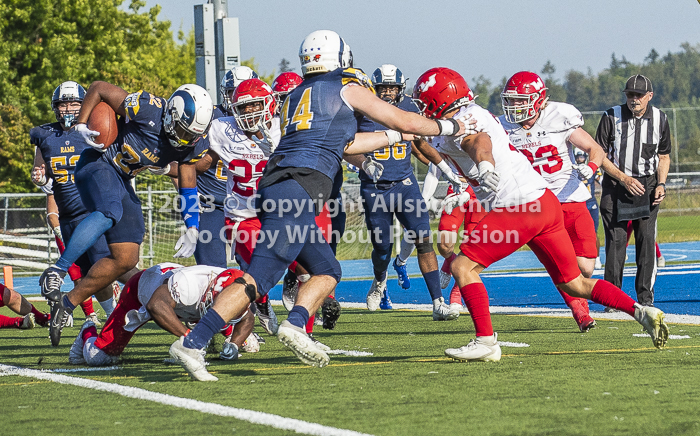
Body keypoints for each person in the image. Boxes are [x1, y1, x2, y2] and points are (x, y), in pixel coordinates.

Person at [168, 29, 469, 381]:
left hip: (283, 185)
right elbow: (401, 118)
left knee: (328, 269)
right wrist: (447, 125)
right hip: (297, 187)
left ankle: (296, 324)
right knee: (260, 277)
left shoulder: (297, 95)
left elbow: (346, 143)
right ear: (340, 57)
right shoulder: (344, 86)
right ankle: (193, 342)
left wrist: (394, 137)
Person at [410, 67, 668, 362]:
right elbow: (434, 146)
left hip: (527, 203)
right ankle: (641, 311)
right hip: (543, 203)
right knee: (575, 283)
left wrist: (485, 164)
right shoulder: (482, 122)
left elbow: (478, 143)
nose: (515, 107)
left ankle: (485, 341)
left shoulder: (483, 119)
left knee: (463, 267)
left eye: (424, 100)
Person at [38, 81, 214, 346]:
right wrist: (82, 125)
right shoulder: (148, 108)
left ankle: (67, 302)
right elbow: (98, 87)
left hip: (121, 177)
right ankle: (58, 270)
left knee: (126, 258)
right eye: (181, 129)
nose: (184, 139)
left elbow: (188, 183)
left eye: (190, 134)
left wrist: (192, 225)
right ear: (172, 115)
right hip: (97, 163)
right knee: (110, 210)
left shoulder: (190, 142)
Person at [498, 71, 604, 332]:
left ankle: (581, 303)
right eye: (511, 101)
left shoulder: (559, 117)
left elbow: (596, 148)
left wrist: (591, 167)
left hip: (570, 198)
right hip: (536, 206)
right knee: (562, 265)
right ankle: (580, 311)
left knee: (585, 268)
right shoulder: (502, 127)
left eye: (520, 101)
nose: (514, 107)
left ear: (537, 99)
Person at [350, 63, 457, 320]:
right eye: (383, 88)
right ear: (374, 89)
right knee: (382, 248)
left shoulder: (410, 107)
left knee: (423, 239)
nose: (387, 93)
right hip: (374, 187)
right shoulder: (361, 110)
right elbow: (348, 143)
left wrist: (446, 167)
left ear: (401, 88)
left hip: (405, 184)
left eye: (392, 88)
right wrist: (364, 162)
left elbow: (421, 143)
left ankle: (438, 302)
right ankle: (379, 280)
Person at [31, 81, 125, 326]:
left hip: (91, 211)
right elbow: (42, 173)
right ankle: (112, 312)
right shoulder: (44, 134)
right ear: (55, 107)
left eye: (74, 102)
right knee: (88, 274)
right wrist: (40, 177)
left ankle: (151, 295)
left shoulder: (93, 129)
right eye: (63, 104)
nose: (68, 108)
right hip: (67, 215)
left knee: (110, 265)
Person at [68, 264, 254, 374]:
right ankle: (88, 330)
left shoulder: (235, 289)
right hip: (142, 293)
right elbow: (156, 306)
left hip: (187, 305)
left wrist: (235, 344)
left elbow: (247, 318)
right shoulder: (189, 283)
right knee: (98, 358)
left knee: (249, 345)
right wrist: (190, 337)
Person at [595, 74, 671, 307]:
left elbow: (664, 156)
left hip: (647, 186)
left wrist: (661, 184)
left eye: (638, 95)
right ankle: (612, 300)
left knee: (646, 243)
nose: (634, 99)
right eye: (630, 94)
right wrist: (623, 178)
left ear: (649, 96)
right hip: (616, 185)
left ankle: (645, 300)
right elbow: (599, 155)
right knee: (615, 244)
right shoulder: (611, 116)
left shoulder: (660, 118)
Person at [192, 66, 259, 269]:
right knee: (211, 270)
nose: (239, 96)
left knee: (254, 266)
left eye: (244, 89)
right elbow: (191, 164)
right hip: (211, 203)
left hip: (246, 206)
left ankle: (256, 302)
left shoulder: (264, 122)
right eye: (233, 91)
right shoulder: (210, 118)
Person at [575, 149, 604, 269]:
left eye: (582, 157)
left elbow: (603, 181)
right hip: (578, 204)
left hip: (591, 203)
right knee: (576, 234)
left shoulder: (592, 169)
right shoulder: (573, 169)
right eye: (578, 157)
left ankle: (597, 258)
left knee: (594, 232)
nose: (580, 160)